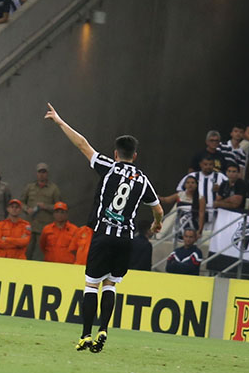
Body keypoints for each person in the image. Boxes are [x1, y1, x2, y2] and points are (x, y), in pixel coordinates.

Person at [45, 103, 162, 353]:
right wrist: (157, 223)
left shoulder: (109, 167)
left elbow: (82, 145)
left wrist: (59, 121)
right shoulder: (143, 180)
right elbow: (158, 209)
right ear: (135, 156)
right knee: (110, 285)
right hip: (125, 239)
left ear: (116, 153)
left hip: (103, 235)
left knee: (91, 286)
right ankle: (104, 330)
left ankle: (86, 335)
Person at [21, 162, 61, 260]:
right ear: (36, 173)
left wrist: (46, 206)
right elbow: (20, 203)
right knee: (27, 251)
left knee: (43, 252)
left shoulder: (54, 189)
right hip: (30, 226)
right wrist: (27, 209)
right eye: (40, 172)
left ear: (47, 174)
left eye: (44, 172)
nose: (41, 174)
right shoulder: (30, 187)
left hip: (45, 227)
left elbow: (59, 207)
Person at [176, 155, 226, 226]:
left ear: (214, 165)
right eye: (205, 164)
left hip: (215, 212)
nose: (208, 167)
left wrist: (221, 189)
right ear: (200, 164)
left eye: (210, 164)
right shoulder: (192, 176)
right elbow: (180, 191)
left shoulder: (221, 177)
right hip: (194, 212)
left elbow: (230, 192)